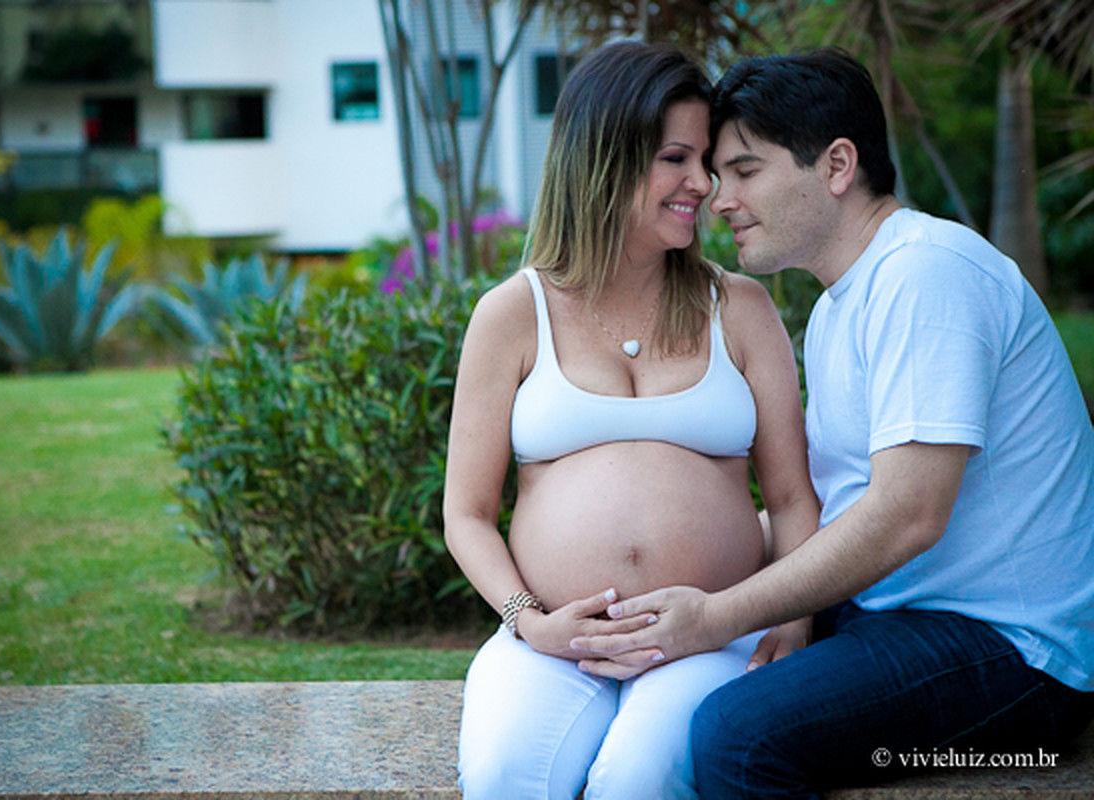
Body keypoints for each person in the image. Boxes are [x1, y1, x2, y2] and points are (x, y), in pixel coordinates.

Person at [569, 48, 1094, 798]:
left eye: (745, 171)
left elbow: (907, 514)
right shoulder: (837, 308)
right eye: (718, 175)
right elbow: (835, 501)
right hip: (898, 612)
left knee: (738, 737)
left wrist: (715, 616)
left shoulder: (927, 272)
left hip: (1014, 648)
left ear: (837, 165)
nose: (718, 199)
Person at [441, 40, 821, 800]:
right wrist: (529, 621)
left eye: (705, 161)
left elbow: (790, 498)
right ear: (603, 160)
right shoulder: (512, 314)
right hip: (552, 640)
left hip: (713, 635)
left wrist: (796, 617)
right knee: (502, 775)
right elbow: (467, 514)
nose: (703, 185)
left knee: (639, 779)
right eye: (675, 159)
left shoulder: (740, 307)